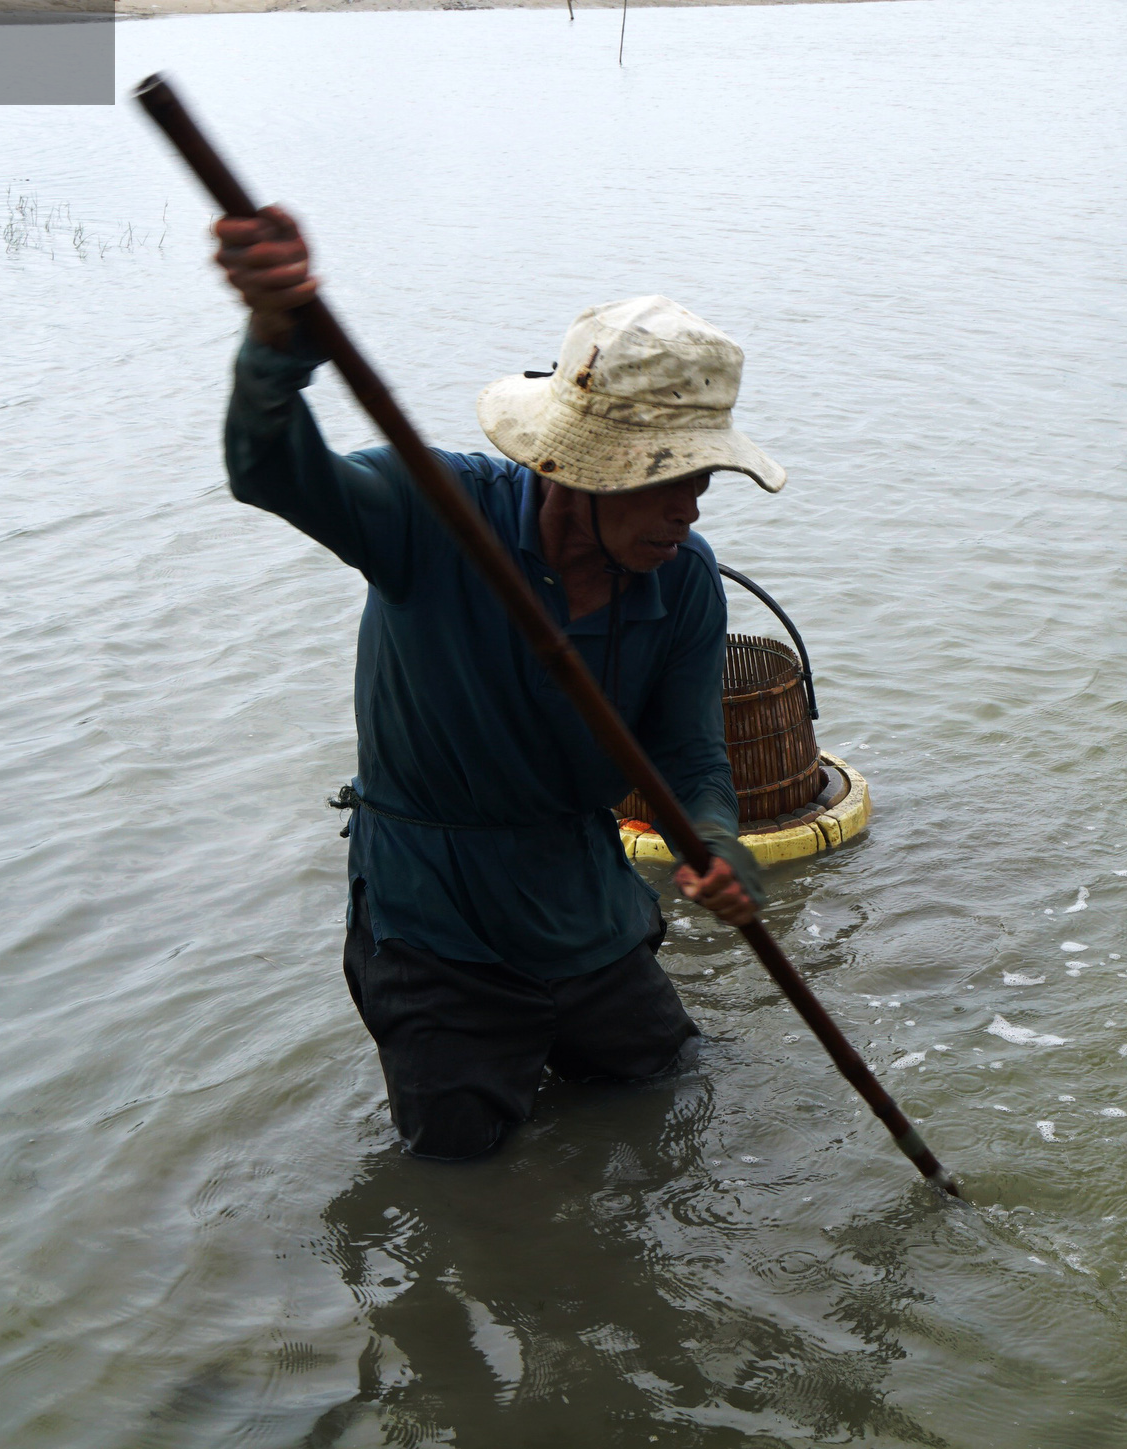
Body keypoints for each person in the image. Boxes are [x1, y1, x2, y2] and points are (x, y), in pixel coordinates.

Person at [213, 205, 777, 1161]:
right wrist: (274, 341)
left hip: (585, 905)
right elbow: (269, 469)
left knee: (668, 1099)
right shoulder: (434, 514)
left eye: (702, 481)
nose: (689, 506)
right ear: (585, 472)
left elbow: (686, 753)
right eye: (665, 479)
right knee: (457, 1171)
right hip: (438, 924)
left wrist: (718, 841)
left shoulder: (684, 582)